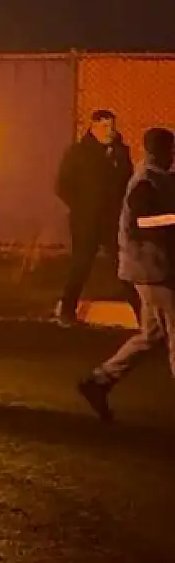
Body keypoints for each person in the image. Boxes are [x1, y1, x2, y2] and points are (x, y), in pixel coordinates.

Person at [78, 126, 175, 422]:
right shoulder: (144, 181)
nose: (173, 155)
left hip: (154, 268)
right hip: (151, 270)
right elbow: (142, 222)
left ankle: (99, 381)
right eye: (170, 150)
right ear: (157, 151)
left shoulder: (160, 177)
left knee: (151, 335)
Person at [55, 109, 137, 326]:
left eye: (111, 126)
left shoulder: (120, 152)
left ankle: (142, 314)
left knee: (123, 266)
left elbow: (127, 181)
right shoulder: (79, 153)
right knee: (81, 265)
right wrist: (82, 208)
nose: (109, 131)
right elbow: (63, 186)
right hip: (86, 222)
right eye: (104, 126)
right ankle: (67, 310)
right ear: (93, 127)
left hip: (113, 221)